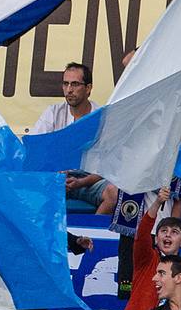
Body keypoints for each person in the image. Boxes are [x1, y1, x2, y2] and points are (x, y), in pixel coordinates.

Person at [34, 61, 121, 214]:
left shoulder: (102, 118)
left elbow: (108, 166)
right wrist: (55, 174)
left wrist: (81, 182)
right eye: (65, 84)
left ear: (88, 88)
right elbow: (35, 150)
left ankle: (89, 237)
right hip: (56, 178)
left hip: (90, 180)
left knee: (114, 192)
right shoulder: (53, 113)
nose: (69, 90)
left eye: (75, 84)